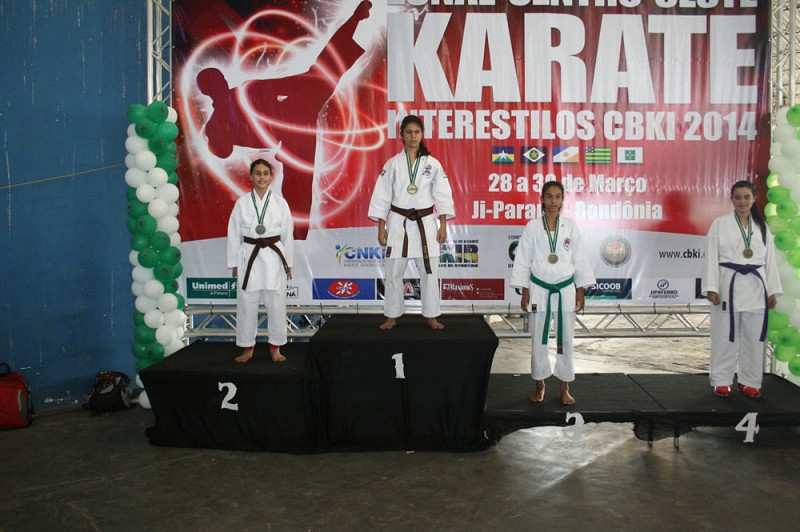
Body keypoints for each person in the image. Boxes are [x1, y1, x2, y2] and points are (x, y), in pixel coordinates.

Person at [510, 181, 596, 405]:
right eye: (549, 196)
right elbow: (523, 259)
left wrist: (580, 290)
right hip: (539, 289)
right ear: (542, 199)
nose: (553, 201)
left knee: (566, 339)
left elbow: (580, 259)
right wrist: (525, 290)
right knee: (538, 339)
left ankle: (564, 386)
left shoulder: (570, 226)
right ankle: (540, 385)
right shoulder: (532, 227)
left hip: (565, 288)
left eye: (558, 197)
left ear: (563, 200)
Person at [368, 114, 455, 330]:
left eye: (417, 132)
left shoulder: (432, 164)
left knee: (430, 273)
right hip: (399, 223)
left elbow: (443, 195)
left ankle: (431, 316)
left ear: (422, 134)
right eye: (408, 132)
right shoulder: (393, 164)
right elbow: (382, 196)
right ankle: (391, 315)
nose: (413, 136)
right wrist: (381, 227)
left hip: (426, 224)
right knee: (393, 273)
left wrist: (443, 225)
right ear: (402, 135)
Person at [702, 180, 781, 398]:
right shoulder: (720, 224)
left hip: (756, 285)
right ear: (732, 199)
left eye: (746, 197)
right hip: (728, 283)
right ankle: (721, 380)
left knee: (754, 337)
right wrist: (711, 287)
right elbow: (711, 256)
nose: (742, 201)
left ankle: (750, 381)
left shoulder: (762, 226)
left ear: (754, 199)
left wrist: (772, 290)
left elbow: (770, 260)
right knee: (724, 335)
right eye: (738, 197)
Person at [227, 159, 294, 363]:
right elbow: (233, 234)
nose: (262, 177)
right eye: (258, 173)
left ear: (271, 176)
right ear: (251, 176)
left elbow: (288, 235)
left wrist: (288, 263)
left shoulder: (280, 203)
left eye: (265, 173)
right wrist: (234, 263)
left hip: (274, 256)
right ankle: (247, 348)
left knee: (276, 304)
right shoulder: (242, 203)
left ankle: (275, 347)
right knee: (247, 305)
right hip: (249, 256)